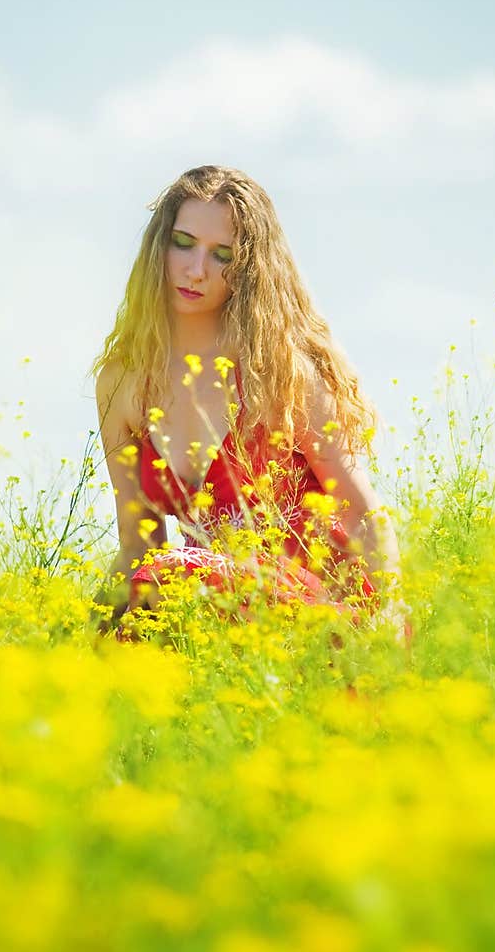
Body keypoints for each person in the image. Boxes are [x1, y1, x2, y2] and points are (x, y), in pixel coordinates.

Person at [90, 166, 410, 643]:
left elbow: (362, 511)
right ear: (160, 244)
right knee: (124, 617)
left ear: (248, 268)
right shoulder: (121, 382)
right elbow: (138, 542)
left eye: (221, 255)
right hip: (213, 600)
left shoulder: (279, 371)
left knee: (170, 577)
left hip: (322, 604)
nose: (196, 270)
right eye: (183, 243)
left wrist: (390, 615)